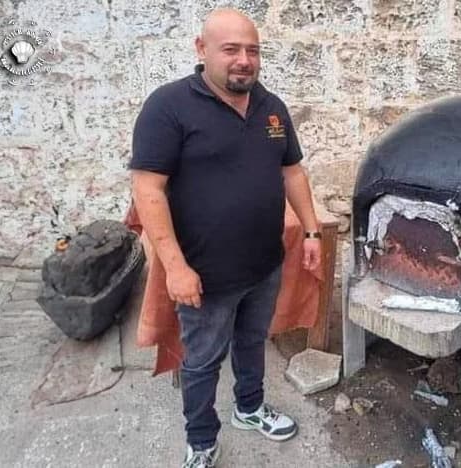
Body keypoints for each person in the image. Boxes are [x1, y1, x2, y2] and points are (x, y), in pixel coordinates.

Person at [129, 8, 321, 468]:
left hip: (264, 263)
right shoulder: (169, 105)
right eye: (231, 49)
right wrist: (175, 267)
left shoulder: (271, 107)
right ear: (202, 49)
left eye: (252, 50)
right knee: (201, 360)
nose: (244, 60)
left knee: (253, 342)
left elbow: (291, 171)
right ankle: (201, 441)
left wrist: (311, 230)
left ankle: (250, 409)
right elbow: (147, 188)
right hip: (204, 273)